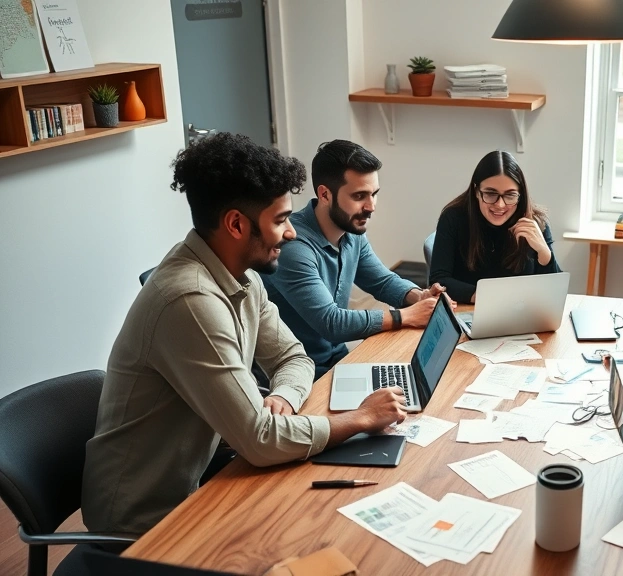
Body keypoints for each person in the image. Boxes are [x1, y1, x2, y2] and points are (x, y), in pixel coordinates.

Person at [81, 134, 408, 535]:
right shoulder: (190, 299)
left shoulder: (242, 277)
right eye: (280, 220)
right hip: (148, 521)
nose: (291, 234)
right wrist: (361, 418)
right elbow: (259, 440)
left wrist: (284, 396)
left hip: (207, 473)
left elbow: (293, 357)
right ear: (237, 224)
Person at [261, 140, 450, 380]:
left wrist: (419, 297)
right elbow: (330, 323)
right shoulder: (293, 246)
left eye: (374, 194)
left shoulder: (351, 232)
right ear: (325, 194)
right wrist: (407, 316)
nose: (371, 207)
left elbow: (381, 281)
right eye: (360, 196)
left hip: (337, 360)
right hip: (297, 375)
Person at [428, 150, 560, 304]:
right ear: (477, 191)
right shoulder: (453, 218)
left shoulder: (536, 222)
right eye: (490, 194)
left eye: (510, 195)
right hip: (467, 313)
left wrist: (544, 252)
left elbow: (554, 292)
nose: (500, 204)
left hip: (520, 316)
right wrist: (483, 297)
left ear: (520, 195)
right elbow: (438, 281)